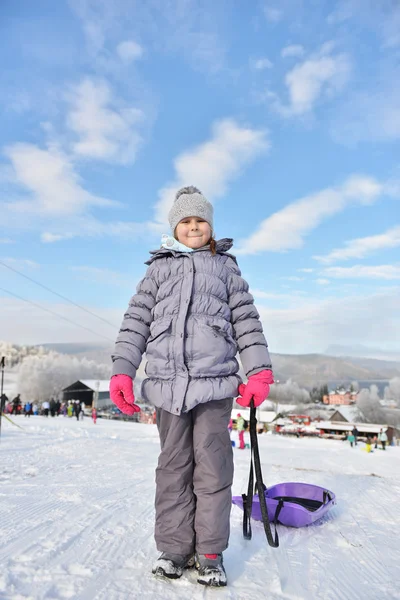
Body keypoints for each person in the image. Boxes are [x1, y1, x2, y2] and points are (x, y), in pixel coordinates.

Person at [109, 186, 274, 588]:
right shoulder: (157, 270)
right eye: (186, 220)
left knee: (213, 469)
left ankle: (211, 552)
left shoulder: (226, 268)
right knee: (173, 469)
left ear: (211, 226)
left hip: (214, 386)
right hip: (167, 387)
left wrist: (258, 371)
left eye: (200, 220)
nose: (194, 226)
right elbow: (135, 324)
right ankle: (174, 548)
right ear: (174, 227)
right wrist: (122, 371)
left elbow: (247, 324)